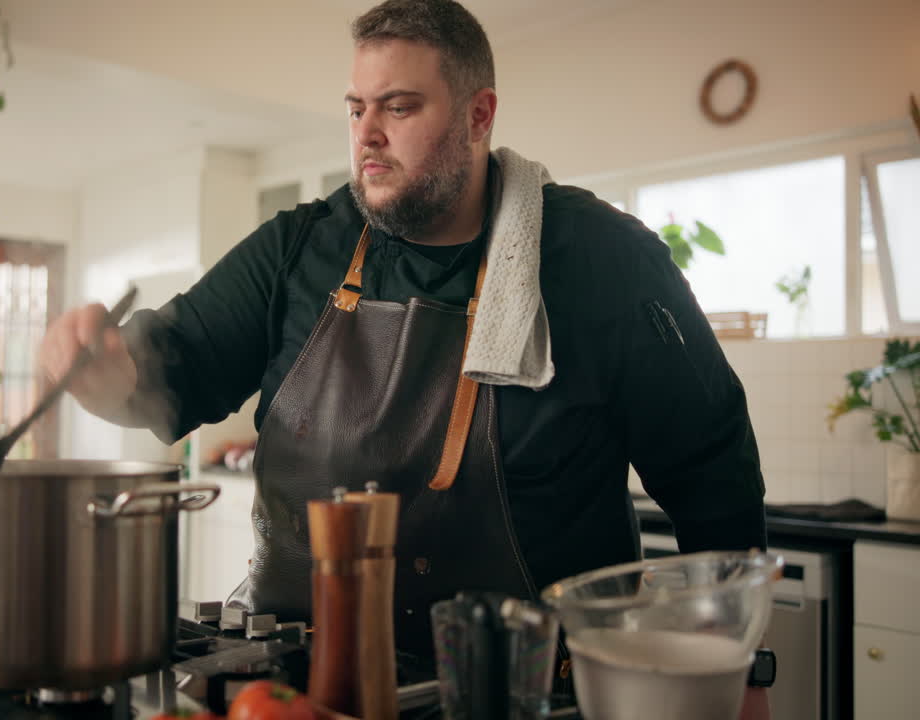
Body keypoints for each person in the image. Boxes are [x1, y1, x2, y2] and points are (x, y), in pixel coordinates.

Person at [41, 0, 769, 715]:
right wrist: (104, 375)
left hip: (519, 691)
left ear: (479, 117)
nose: (367, 136)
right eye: (357, 108)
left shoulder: (601, 261)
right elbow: (170, 370)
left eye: (399, 107)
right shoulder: (300, 248)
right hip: (296, 687)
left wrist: (743, 671)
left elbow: (712, 470)